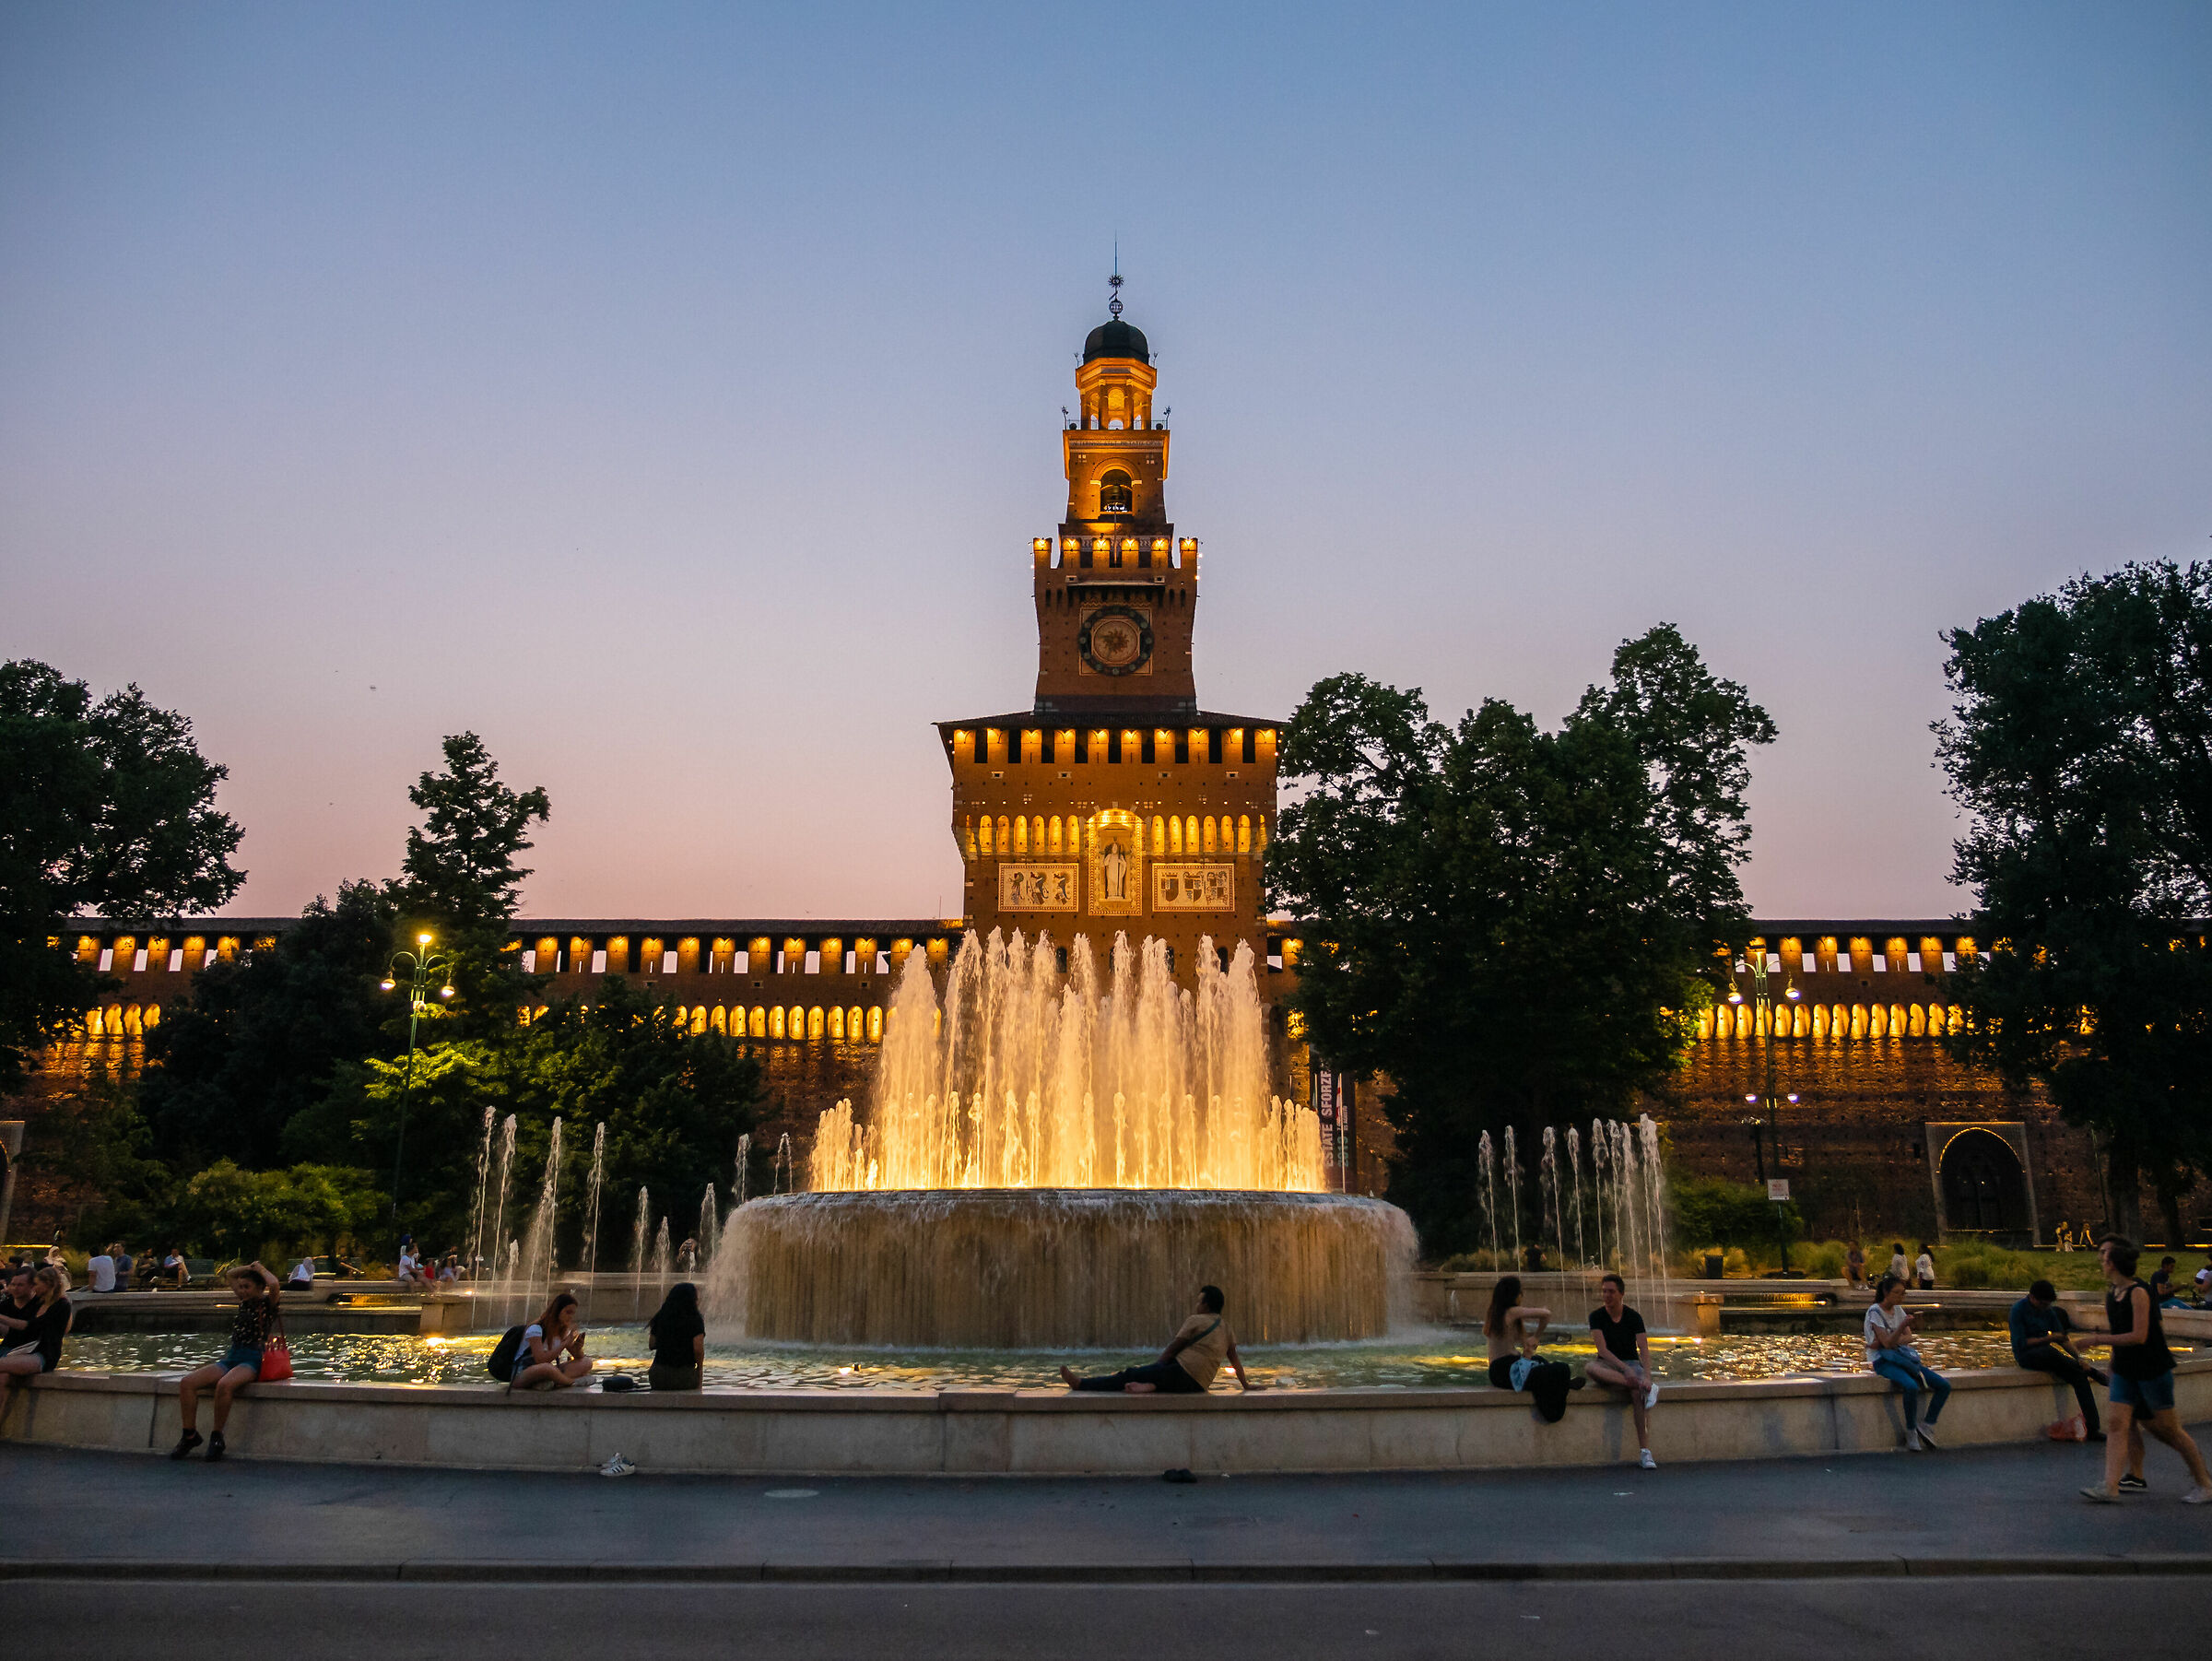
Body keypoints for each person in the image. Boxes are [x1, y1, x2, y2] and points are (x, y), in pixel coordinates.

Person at [2072, 1236, 2212, 1504]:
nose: (2101, 1259)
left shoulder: (2139, 1292)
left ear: (2114, 1262)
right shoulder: (2112, 1294)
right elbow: (2119, 1331)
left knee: (2169, 1430)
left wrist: (2097, 1340)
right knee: (2116, 1423)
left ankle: (2205, 1483)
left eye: (2104, 1255)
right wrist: (2113, 1363)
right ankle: (2110, 1486)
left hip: (2152, 1368)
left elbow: (2139, 1335)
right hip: (2126, 1370)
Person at [170, 1261, 281, 1460]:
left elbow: (274, 1285)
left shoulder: (268, 1305)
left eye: (247, 1287)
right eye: (241, 1287)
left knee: (224, 1385)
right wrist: (249, 1268)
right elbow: (230, 1274)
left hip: (253, 1359)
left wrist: (261, 1270)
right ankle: (189, 1435)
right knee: (187, 1383)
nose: (242, 1291)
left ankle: (217, 1437)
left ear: (259, 1288)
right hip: (232, 1357)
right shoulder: (243, 1301)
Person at [1060, 1285, 1253, 1395]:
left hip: (1181, 1374)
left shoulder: (1197, 1320)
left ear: (1206, 1305)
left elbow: (1173, 1348)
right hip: (1199, 1385)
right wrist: (1245, 1385)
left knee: (1130, 1373)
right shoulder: (1227, 1328)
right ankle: (1150, 1386)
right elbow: (1234, 1359)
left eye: (1198, 1301)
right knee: (1155, 1377)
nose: (1196, 1305)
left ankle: (1081, 1384)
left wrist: (1154, 1369)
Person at [2010, 1278, 2104, 1441]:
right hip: (2027, 1355)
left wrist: (2079, 1358)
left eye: (2048, 1304)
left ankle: (2093, 1427)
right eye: (2043, 1304)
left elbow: (2063, 1339)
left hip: (2050, 1356)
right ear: (2032, 1298)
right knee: (2050, 1351)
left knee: (2079, 1376)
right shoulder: (2018, 1310)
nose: (2046, 1308)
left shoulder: (2048, 1310)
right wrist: (2049, 1338)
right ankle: (2093, 1373)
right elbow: (2021, 1343)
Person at [1865, 1273, 1950, 1449]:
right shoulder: (1874, 1312)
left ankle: (1927, 1425)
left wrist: (1891, 1338)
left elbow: (1907, 1338)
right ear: (1886, 1292)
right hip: (1884, 1360)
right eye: (1897, 1293)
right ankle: (1911, 1431)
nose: (1901, 1297)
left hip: (1902, 1358)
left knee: (1943, 1385)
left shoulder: (1898, 1310)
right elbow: (1888, 1344)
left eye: (1903, 1293)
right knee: (1910, 1386)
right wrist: (1901, 1328)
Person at [1584, 1272, 1659, 1467]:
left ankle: (1645, 1452)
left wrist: (1648, 1376)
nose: (1607, 1296)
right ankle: (1638, 1384)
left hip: (1632, 1364)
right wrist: (1626, 1370)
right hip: (1607, 1365)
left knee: (1636, 1394)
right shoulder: (1597, 1316)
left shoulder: (1634, 1317)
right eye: (1604, 1292)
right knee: (1590, 1367)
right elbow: (1602, 1350)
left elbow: (1644, 1349)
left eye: (1611, 1292)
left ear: (1621, 1294)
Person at [1483, 1275, 1581, 1423]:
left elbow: (1523, 1352)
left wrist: (1528, 1352)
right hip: (1508, 1370)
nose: (1522, 1296)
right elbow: (1546, 1314)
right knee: (1562, 1368)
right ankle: (1560, 1392)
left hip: (1500, 1371)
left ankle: (1563, 1383)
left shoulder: (1494, 1314)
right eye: (1520, 1292)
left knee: (1540, 1360)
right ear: (1514, 1295)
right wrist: (1537, 1336)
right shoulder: (1511, 1312)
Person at [509, 1290, 594, 1391]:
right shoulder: (536, 1329)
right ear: (557, 1311)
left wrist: (578, 1348)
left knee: (586, 1362)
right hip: (522, 1374)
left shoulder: (562, 1332)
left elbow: (579, 1357)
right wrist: (564, 1344)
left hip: (546, 1372)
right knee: (547, 1368)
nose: (571, 1316)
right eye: (568, 1312)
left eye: (573, 1313)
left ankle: (550, 1382)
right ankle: (572, 1382)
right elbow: (540, 1360)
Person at [0, 1266, 72, 1379]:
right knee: (3, 1377)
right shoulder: (39, 1303)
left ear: (48, 1284)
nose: (34, 1288)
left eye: (36, 1284)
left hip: (44, 1354)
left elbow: (29, 1326)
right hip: (26, 1351)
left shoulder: (61, 1305)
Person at [647, 1281, 706, 1391]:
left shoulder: (661, 1317)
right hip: (683, 1376)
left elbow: (652, 1344)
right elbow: (698, 1349)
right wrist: (700, 1371)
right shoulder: (695, 1319)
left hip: (658, 1376)